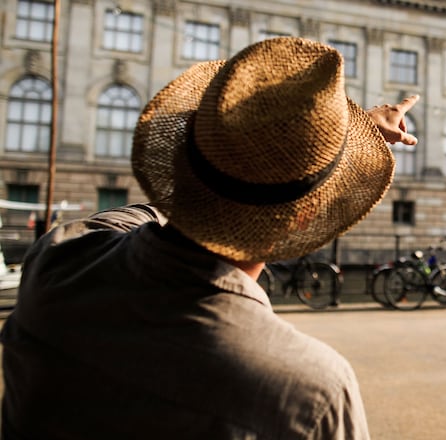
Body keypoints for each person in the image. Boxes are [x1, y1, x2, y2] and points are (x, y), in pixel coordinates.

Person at [1, 37, 418, 439]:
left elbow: (150, 214)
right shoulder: (313, 391)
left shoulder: (58, 259)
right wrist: (346, 134)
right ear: (304, 217)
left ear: (181, 161)